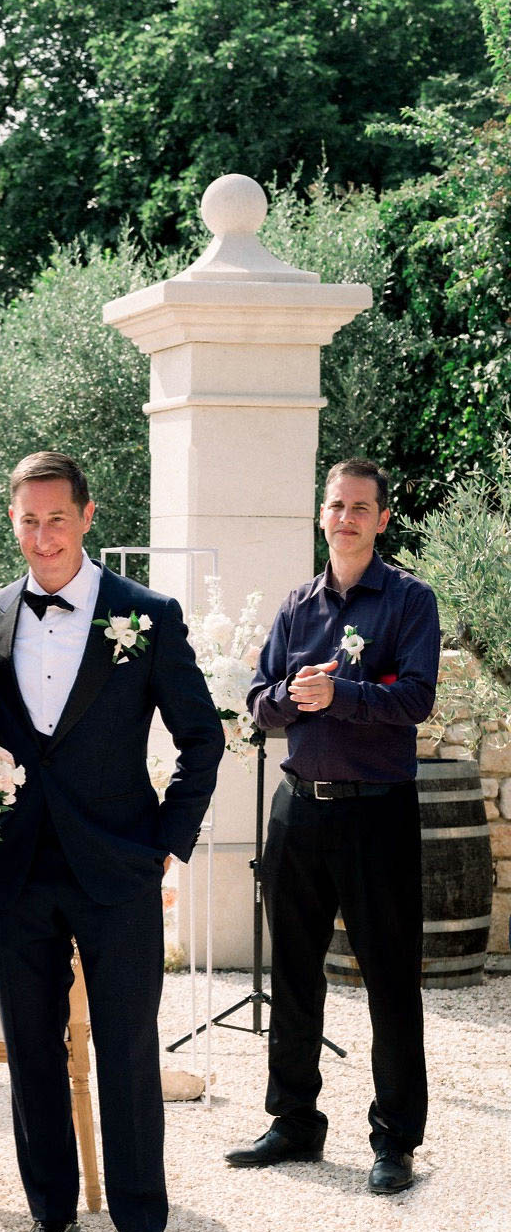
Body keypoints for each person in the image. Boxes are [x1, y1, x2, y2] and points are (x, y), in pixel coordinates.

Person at [0, 451, 224, 1232]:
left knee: (125, 1048)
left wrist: (163, 842)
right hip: (17, 870)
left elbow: (202, 740)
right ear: (14, 524)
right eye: (27, 521)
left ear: (86, 517)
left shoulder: (145, 615)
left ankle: (143, 1230)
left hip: (117, 871)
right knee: (31, 1049)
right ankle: (49, 1216)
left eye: (56, 518)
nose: (42, 537)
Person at [225, 458, 440, 1194]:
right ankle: (294, 1122)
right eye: (335, 505)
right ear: (322, 516)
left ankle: (396, 1141)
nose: (344, 517)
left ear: (382, 519)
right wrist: (293, 694)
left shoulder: (410, 601)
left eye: (359, 507)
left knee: (388, 978)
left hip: (377, 809)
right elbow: (258, 699)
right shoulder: (296, 607)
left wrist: (339, 694)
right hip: (298, 809)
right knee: (291, 968)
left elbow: (414, 698)